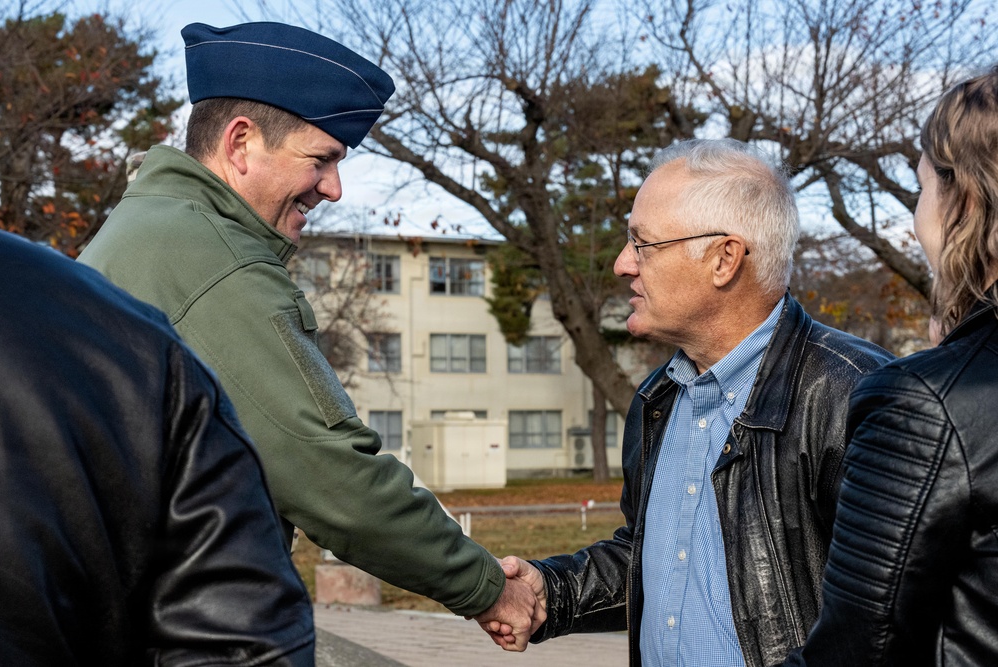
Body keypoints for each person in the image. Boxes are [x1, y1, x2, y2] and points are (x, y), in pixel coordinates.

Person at [78, 21, 537, 643]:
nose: (334, 188)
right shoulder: (216, 261)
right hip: (174, 627)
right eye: (320, 159)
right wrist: (487, 587)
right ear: (241, 144)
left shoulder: (149, 224)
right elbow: (327, 472)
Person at [487, 138, 894, 665]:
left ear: (724, 258)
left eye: (642, 244)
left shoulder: (859, 394)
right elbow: (656, 560)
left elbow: (890, 621)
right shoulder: (658, 398)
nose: (621, 265)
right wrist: (550, 591)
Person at [0, 231, 314, 666]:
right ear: (237, 157)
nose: (333, 189)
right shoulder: (128, 332)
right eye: (320, 159)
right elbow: (237, 643)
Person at [779, 68, 998, 667]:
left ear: (966, 198)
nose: (914, 218)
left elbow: (856, 654)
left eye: (923, 188)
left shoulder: (923, 404)